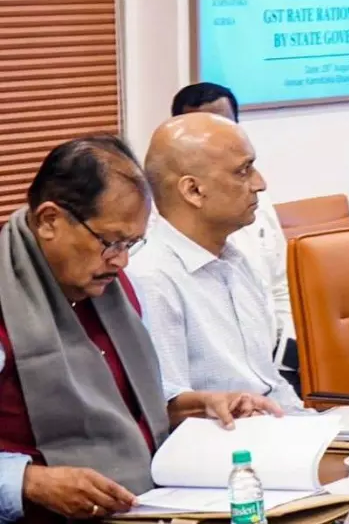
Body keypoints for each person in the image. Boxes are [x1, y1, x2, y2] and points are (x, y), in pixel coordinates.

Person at [0, 136, 279, 522]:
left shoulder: (108, 289)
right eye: (111, 242)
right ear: (50, 221)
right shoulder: (5, 301)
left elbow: (118, 409)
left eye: (132, 243)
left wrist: (199, 407)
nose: (122, 261)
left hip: (140, 505)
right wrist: (30, 482)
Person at [129, 114, 306, 412]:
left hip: (282, 427)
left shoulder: (235, 258)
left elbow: (269, 383)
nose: (260, 184)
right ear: (193, 191)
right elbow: (167, 407)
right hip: (225, 445)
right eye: (243, 171)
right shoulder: (151, 278)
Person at [170, 82, 295, 388]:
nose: (258, 183)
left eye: (225, 126)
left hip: (274, 368)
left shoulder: (257, 202)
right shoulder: (159, 248)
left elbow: (280, 285)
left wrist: (286, 362)